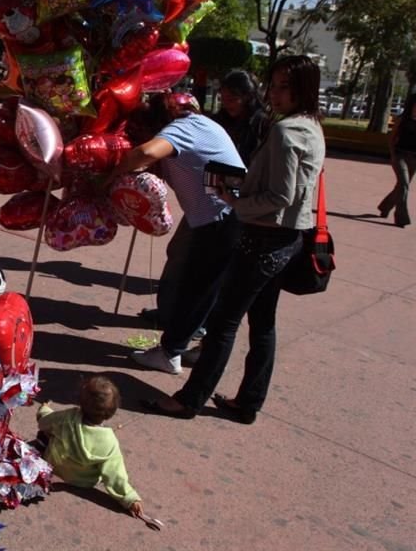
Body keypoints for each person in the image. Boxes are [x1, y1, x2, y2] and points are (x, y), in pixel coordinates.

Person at [142, 55, 326, 424]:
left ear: (304, 88)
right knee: (263, 324)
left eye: (284, 87)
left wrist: (236, 202)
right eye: (272, 86)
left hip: (264, 240)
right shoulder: (310, 126)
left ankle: (190, 399)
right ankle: (248, 402)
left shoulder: (285, 131)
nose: (275, 94)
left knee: (225, 323)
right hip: (287, 240)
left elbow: (280, 197)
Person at [110, 93, 245, 374]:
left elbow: (146, 153)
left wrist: (113, 172)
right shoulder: (198, 124)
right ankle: (196, 346)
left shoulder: (181, 128)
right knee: (208, 288)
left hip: (221, 218)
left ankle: (171, 353)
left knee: (196, 288)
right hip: (224, 215)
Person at [36, 376, 143, 518]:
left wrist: (44, 409)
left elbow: (44, 422)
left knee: (46, 433)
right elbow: (116, 475)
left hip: (53, 464)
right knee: (107, 464)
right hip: (83, 481)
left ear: (80, 402)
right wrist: (130, 498)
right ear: (112, 411)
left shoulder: (68, 417)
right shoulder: (109, 442)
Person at [212, 69, 269, 166]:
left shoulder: (261, 123)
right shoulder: (219, 120)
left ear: (248, 96)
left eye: (231, 99)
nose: (226, 105)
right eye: (223, 99)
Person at [377, 92, 416, 228]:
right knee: (404, 184)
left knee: (401, 186)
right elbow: (392, 138)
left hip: (414, 158)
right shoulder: (402, 119)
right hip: (400, 155)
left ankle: (384, 206)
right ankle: (401, 218)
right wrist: (393, 155)